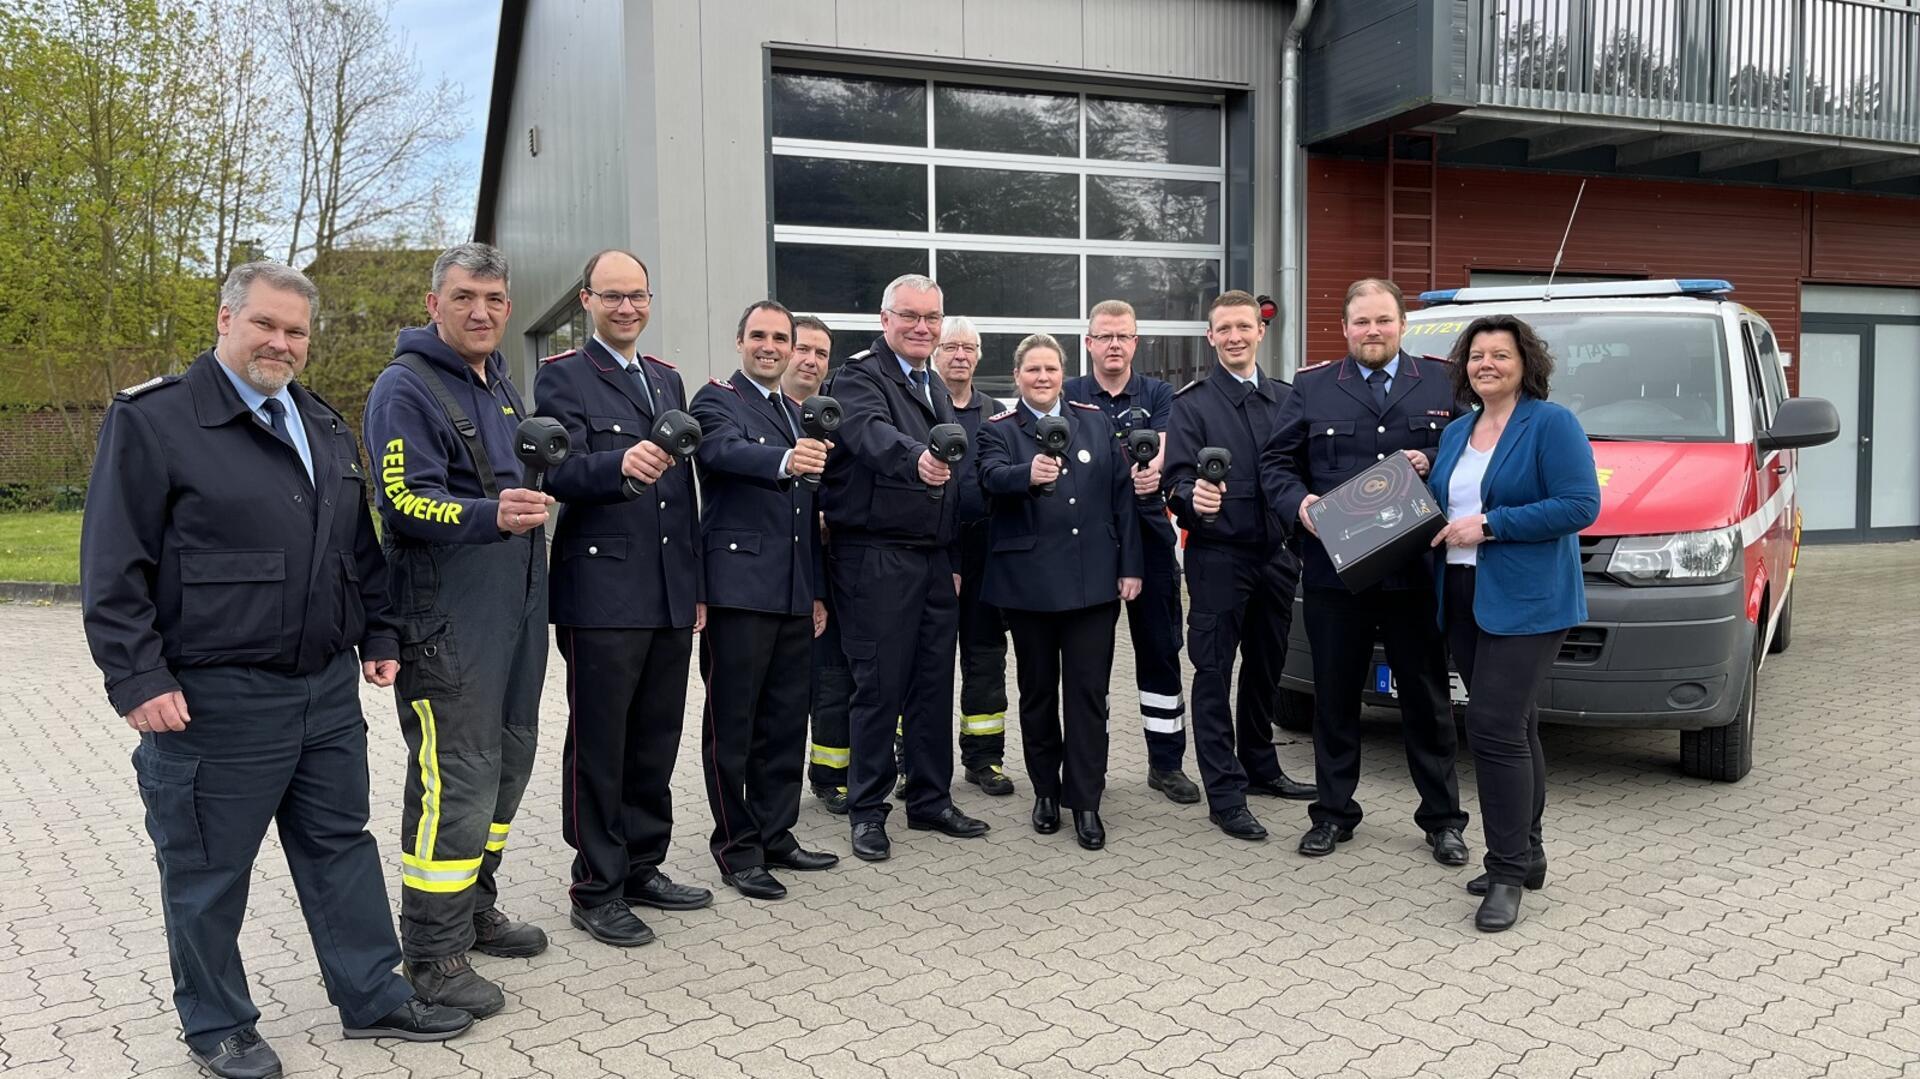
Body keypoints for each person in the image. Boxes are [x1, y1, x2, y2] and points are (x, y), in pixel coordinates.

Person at [82, 261, 473, 1079]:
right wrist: (138, 677)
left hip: (326, 688)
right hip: (214, 697)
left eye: (295, 331)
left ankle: (372, 993)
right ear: (225, 319)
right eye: (265, 324)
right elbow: (113, 562)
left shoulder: (322, 423)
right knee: (207, 870)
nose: (281, 343)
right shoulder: (156, 420)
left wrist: (379, 631)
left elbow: (356, 547)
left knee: (339, 844)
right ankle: (216, 1022)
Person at [361, 243, 550, 1018]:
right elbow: (402, 499)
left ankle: (475, 905)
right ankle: (434, 952)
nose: (482, 311)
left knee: (510, 760)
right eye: (466, 296)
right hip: (448, 619)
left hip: (514, 609)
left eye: (495, 298)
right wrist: (489, 514)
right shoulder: (404, 388)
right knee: (459, 777)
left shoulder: (498, 380)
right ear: (433, 302)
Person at [532, 249, 712, 947]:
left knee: (654, 739)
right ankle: (595, 885)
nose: (627, 307)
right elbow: (553, 471)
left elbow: (683, 492)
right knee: (601, 744)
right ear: (587, 301)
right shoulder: (565, 377)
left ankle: (642, 864)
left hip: (667, 591)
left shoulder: (667, 378)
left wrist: (693, 584)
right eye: (613, 297)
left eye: (637, 295)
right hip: (602, 591)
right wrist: (616, 464)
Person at [1260, 277, 1470, 863]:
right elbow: (1276, 464)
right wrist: (1297, 504)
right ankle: (1332, 813)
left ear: (1402, 324)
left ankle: (1443, 820)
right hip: (1335, 573)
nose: (1372, 331)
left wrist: (1434, 458)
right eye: (1361, 322)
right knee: (1334, 698)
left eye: (1383, 320)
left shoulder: (1441, 381)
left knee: (1427, 699)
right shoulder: (1312, 386)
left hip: (1414, 573)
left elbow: (1477, 455)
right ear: (1345, 328)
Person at [1427, 314, 1600, 932]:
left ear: (1525, 363)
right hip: (1464, 591)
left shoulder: (1551, 424)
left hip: (1529, 597)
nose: (1486, 365)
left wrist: (1492, 525)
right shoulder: (1458, 432)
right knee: (1518, 726)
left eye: (1500, 354)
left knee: (1494, 726)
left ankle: (1504, 875)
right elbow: (1446, 503)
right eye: (1476, 356)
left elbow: (1581, 504)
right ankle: (1527, 853)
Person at [819, 273, 989, 861]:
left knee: (932, 684)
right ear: (884, 319)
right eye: (910, 316)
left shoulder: (936, 386)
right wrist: (915, 458)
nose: (922, 327)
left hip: (933, 559)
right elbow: (870, 434)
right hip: (876, 556)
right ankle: (868, 811)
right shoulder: (860, 377)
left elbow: (960, 481)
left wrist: (957, 559)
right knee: (878, 687)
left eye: (932, 318)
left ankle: (931, 799)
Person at [689, 300, 841, 901]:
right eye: (760, 336)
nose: (772, 346)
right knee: (734, 727)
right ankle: (737, 848)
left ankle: (777, 833)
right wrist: (783, 458)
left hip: (792, 593)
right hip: (739, 591)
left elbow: (806, 518)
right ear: (740, 342)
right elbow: (720, 452)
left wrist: (817, 591)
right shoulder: (716, 400)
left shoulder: (794, 410)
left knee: (783, 723)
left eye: (782, 337)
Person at [976, 334, 1143, 850]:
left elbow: (1122, 500)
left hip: (1094, 584)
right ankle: (1046, 791)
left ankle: (1086, 800)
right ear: (1017, 376)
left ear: (1063, 373)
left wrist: (1130, 566)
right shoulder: (997, 430)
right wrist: (1027, 474)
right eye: (1032, 370)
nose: (1042, 377)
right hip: (1029, 587)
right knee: (1039, 693)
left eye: (1051, 369)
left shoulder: (1094, 420)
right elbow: (986, 478)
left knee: (1089, 695)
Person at [1164, 291, 1318, 843]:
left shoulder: (1286, 399)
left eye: (1243, 327)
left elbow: (1304, 471)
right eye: (1223, 328)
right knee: (1212, 672)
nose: (1234, 336)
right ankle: (1225, 793)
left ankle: (1261, 767)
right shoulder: (1193, 404)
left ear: (1260, 332)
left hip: (1277, 556)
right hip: (1219, 559)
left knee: (1265, 670)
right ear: (1211, 338)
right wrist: (1190, 496)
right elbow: (1174, 479)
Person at [1064, 300, 1201, 805]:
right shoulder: (1071, 392)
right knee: (1089, 660)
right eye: (1105, 336)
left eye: (1123, 336)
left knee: (1160, 653)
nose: (1114, 344)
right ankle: (1089, 769)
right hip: (1092, 540)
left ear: (1135, 342)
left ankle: (1166, 765)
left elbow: (1162, 451)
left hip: (1149, 539)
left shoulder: (1160, 394)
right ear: (1090, 343)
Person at [934, 316, 1016, 797]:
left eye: (969, 347)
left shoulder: (996, 412)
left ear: (980, 355)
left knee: (986, 658)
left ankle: (984, 759)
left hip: (986, 554)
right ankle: (913, 761)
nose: (960, 355)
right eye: (951, 346)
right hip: (934, 553)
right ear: (937, 352)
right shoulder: (923, 405)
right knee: (928, 661)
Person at [787, 317, 855, 814]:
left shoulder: (834, 416)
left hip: (832, 570)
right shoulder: (763, 411)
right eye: (803, 349)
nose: (811, 361)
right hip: (779, 573)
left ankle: (831, 775)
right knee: (790, 688)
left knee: (834, 678)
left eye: (821, 353)